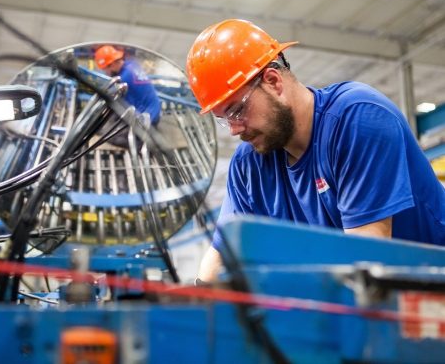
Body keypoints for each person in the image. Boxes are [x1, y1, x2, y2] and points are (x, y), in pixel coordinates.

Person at [186, 19, 445, 283]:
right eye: (224, 119)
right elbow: (222, 252)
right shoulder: (249, 166)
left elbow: (365, 262)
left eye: (236, 111)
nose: (233, 129)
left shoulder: (357, 119)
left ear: (273, 81)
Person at [94, 45, 162, 148]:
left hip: (147, 119)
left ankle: (144, 144)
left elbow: (112, 100)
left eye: (105, 69)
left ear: (111, 64)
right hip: (154, 109)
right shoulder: (132, 64)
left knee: (109, 136)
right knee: (112, 120)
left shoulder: (123, 80)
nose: (106, 73)